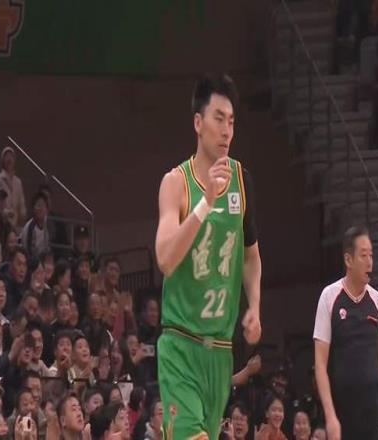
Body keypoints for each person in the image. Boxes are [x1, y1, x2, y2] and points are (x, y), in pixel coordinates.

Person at [155, 74, 261, 439]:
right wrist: (205, 204)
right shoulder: (175, 183)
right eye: (218, 119)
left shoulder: (242, 181)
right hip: (181, 346)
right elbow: (165, 259)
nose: (227, 130)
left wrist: (255, 306)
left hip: (220, 353)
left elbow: (251, 257)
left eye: (231, 121)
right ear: (198, 123)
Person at [313, 226, 378, 440]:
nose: (370, 261)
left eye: (371, 255)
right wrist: (330, 417)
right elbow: (320, 364)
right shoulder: (329, 297)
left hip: (374, 412)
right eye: (363, 255)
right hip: (341, 413)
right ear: (348, 260)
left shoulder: (377, 301)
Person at [0, 146, 26, 227]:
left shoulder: (18, 181)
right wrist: (5, 212)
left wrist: (23, 214)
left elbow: (21, 201)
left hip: (15, 223)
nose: (9, 159)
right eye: (6, 156)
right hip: (1, 221)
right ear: (3, 160)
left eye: (11, 156)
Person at [20, 191, 51, 260]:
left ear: (47, 209)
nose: (40, 209)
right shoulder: (30, 227)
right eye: (38, 205)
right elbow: (29, 252)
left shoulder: (48, 225)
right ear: (33, 209)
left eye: (43, 205)